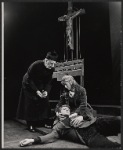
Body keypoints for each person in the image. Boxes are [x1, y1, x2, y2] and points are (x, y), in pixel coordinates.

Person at [19, 105, 121, 148]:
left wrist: (81, 116)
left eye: (68, 109)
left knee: (118, 120)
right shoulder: (59, 125)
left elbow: (91, 113)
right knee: (110, 146)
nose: (67, 110)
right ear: (58, 114)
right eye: (64, 109)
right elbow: (51, 136)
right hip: (86, 134)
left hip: (96, 123)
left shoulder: (74, 115)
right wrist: (32, 140)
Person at [16, 51, 58, 132]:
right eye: (50, 63)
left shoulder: (52, 68)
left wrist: (46, 91)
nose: (52, 66)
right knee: (31, 102)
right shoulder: (35, 65)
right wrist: (36, 91)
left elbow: (49, 82)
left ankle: (43, 121)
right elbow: (29, 79)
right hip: (28, 84)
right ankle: (30, 124)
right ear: (45, 60)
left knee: (44, 101)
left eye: (54, 64)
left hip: (40, 84)